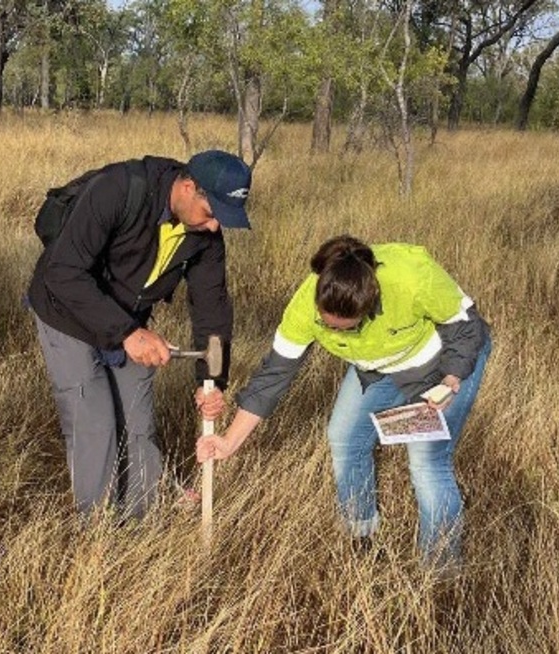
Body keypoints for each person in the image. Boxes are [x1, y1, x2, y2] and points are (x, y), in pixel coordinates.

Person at [196, 235, 491, 567]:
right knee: (344, 437)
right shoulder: (305, 306)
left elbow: (466, 328)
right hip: (378, 368)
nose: (334, 334)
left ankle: (440, 568)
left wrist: (450, 381)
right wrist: (229, 442)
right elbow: (273, 377)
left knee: (426, 461)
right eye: (327, 326)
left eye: (345, 329)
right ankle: (360, 539)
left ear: (368, 305)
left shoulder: (411, 276)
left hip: (445, 362)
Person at [27, 150, 251, 520]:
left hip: (127, 319)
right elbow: (62, 271)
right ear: (188, 187)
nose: (215, 228)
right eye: (212, 213)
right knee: (95, 424)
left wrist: (211, 381)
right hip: (65, 310)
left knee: (137, 422)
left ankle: (138, 523)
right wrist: (128, 333)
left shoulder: (204, 235)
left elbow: (212, 307)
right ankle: (97, 530)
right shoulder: (117, 189)